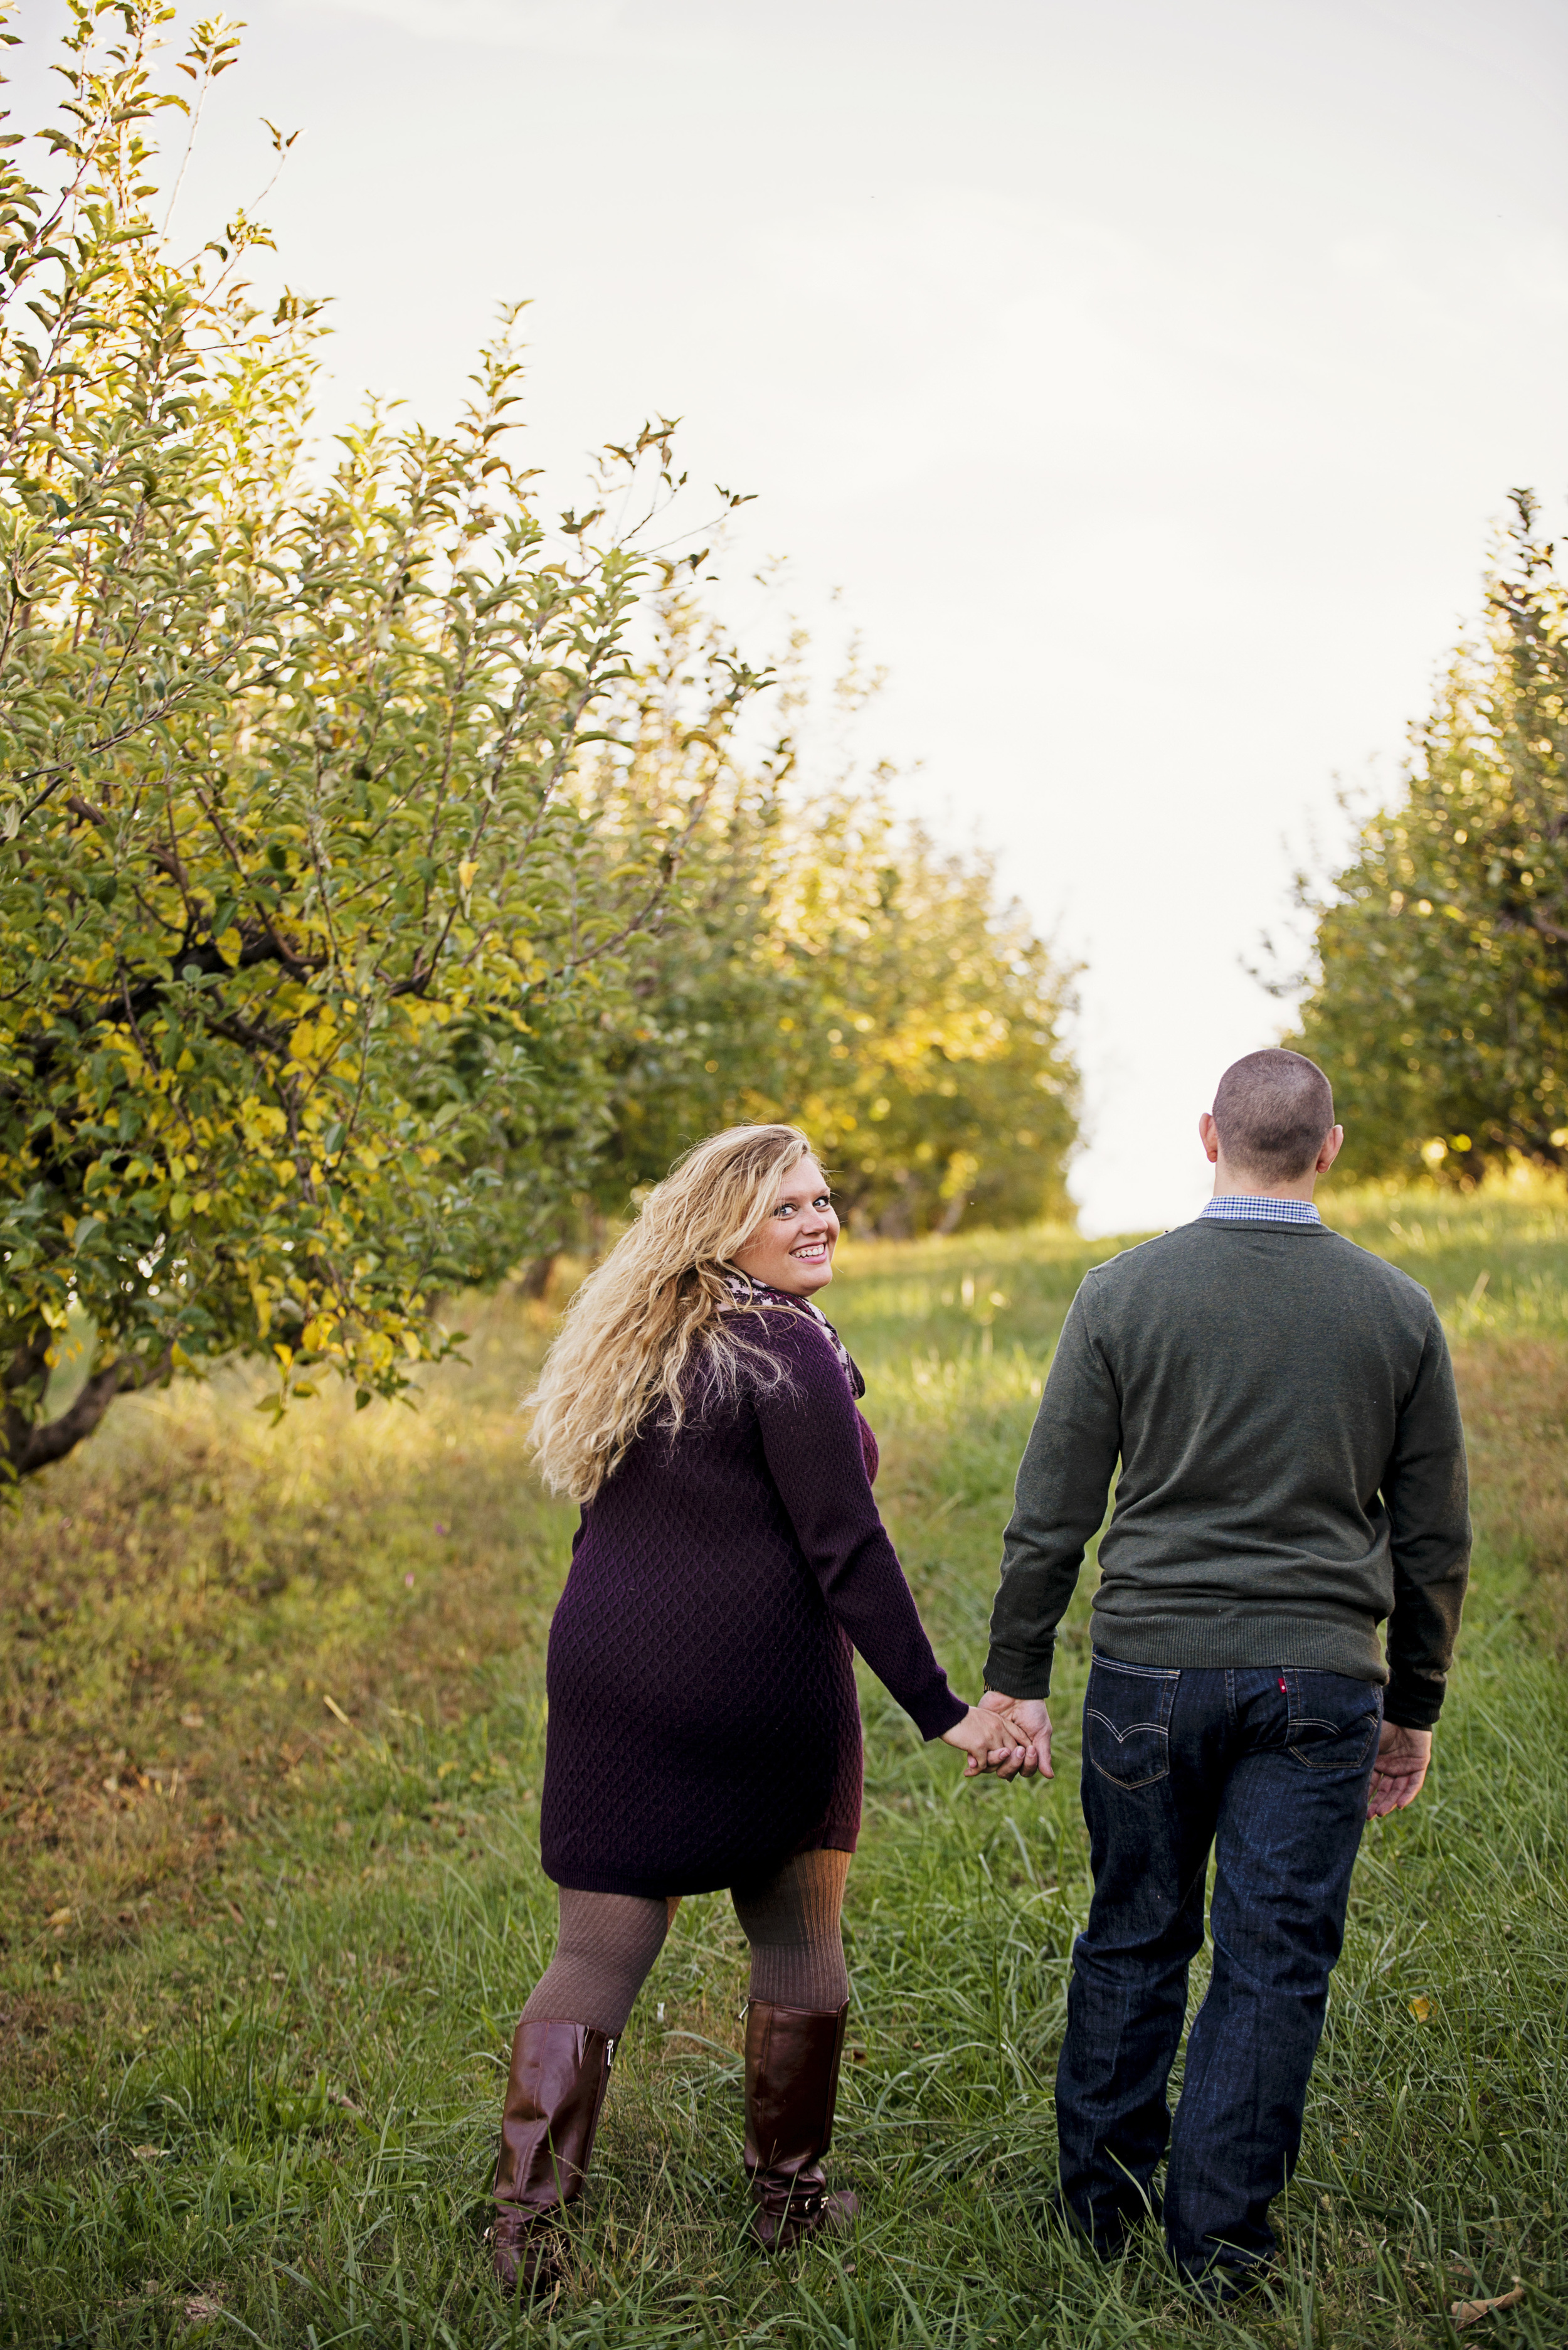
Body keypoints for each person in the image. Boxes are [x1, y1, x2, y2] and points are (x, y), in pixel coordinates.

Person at [487, 1122, 1029, 2289]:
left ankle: (525, 2229)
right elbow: (849, 1548)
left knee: (598, 1946)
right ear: (725, 1220)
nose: (818, 1218)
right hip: (755, 1679)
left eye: (825, 1198)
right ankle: (787, 2204)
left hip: (607, 1674)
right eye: (787, 1205)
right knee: (796, 1932)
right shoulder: (786, 1343)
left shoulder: (646, 1333)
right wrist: (944, 1711)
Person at [980, 1050, 1471, 2299]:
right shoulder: (1395, 1308)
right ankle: (1220, 2253)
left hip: (1147, 1666)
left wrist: (1015, 1677)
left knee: (1131, 1934)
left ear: (1208, 1135)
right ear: (1329, 1147)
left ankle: (1101, 2216)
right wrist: (1410, 1706)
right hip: (1319, 1686)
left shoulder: (1119, 1293)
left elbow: (1048, 1514)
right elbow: (1432, 1541)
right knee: (1271, 1961)